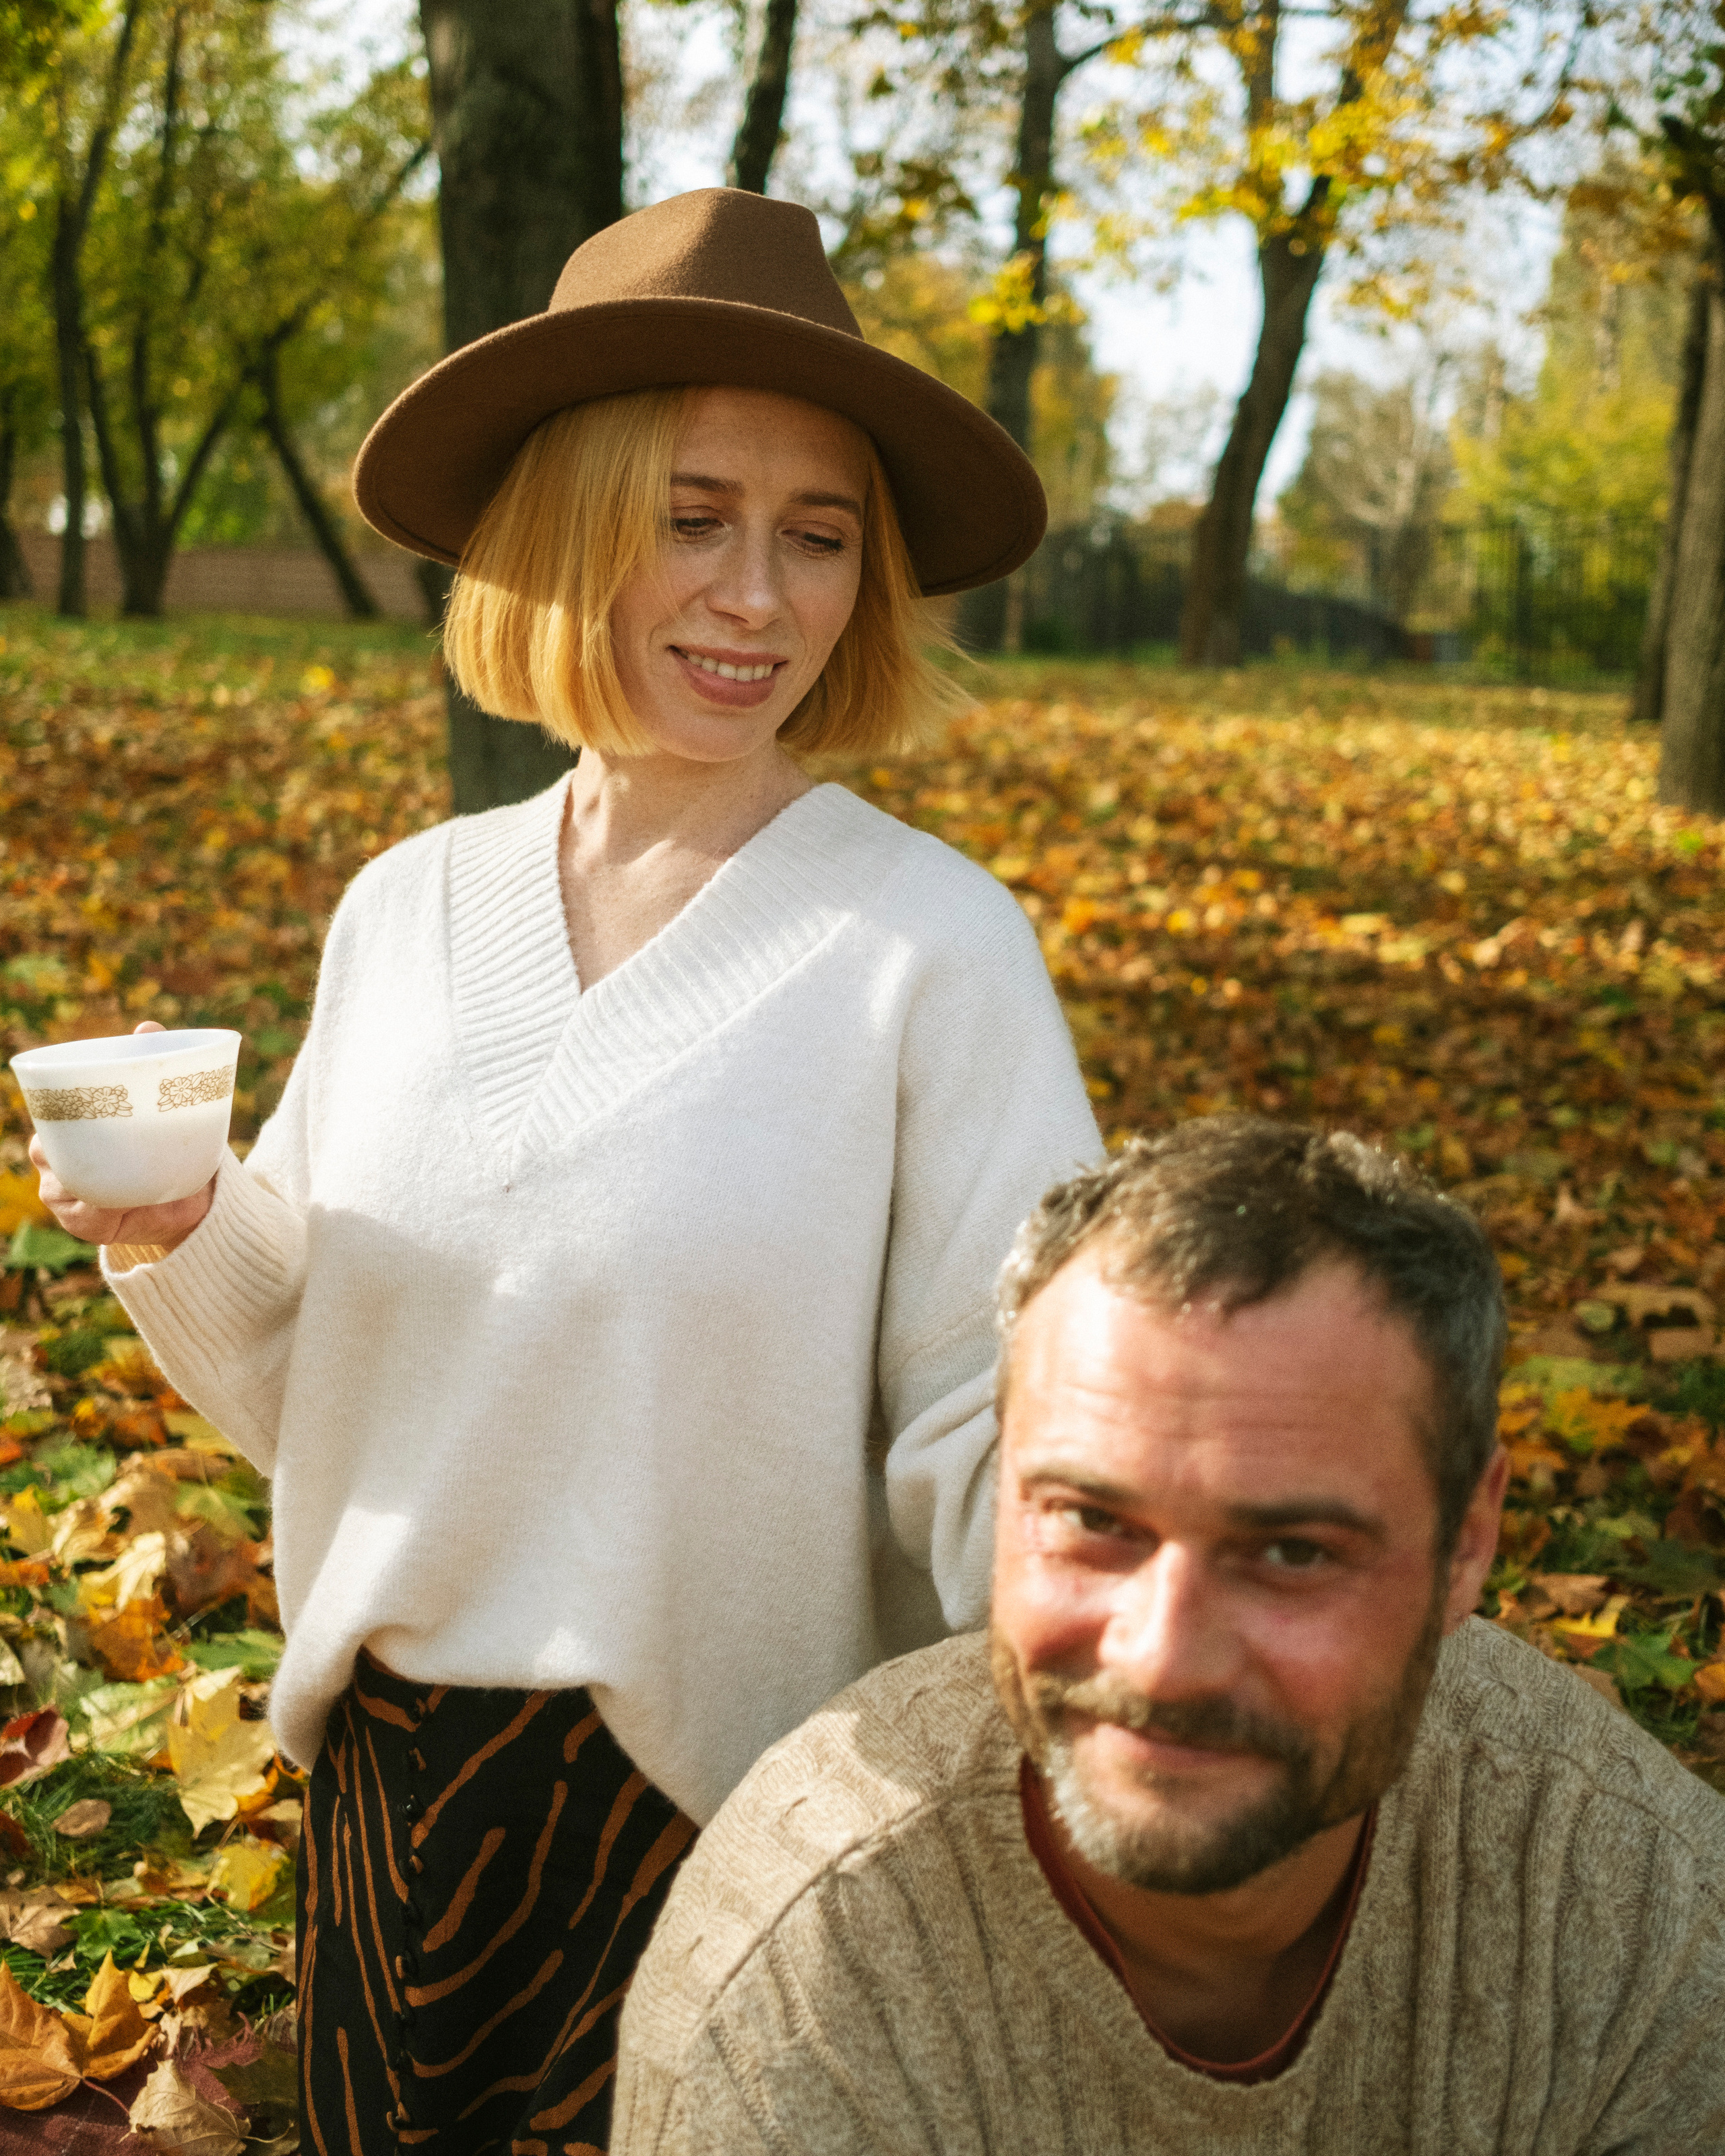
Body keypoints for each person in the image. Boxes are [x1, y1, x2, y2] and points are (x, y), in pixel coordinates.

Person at [32, 187, 1100, 2151]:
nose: (757, 596)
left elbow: (1004, 1413)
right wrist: (185, 1231)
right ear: (565, 533)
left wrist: (1115, 1677)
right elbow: (322, 1374)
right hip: (386, 1797)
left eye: (819, 536)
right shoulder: (409, 910)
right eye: (693, 517)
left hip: (736, 1815)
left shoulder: (930, 951)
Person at [612, 1116, 1725, 2155]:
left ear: (1469, 1543)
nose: (1162, 1659)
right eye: (1096, 1523)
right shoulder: (802, 1997)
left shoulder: (1640, 1925)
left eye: (1292, 1553)